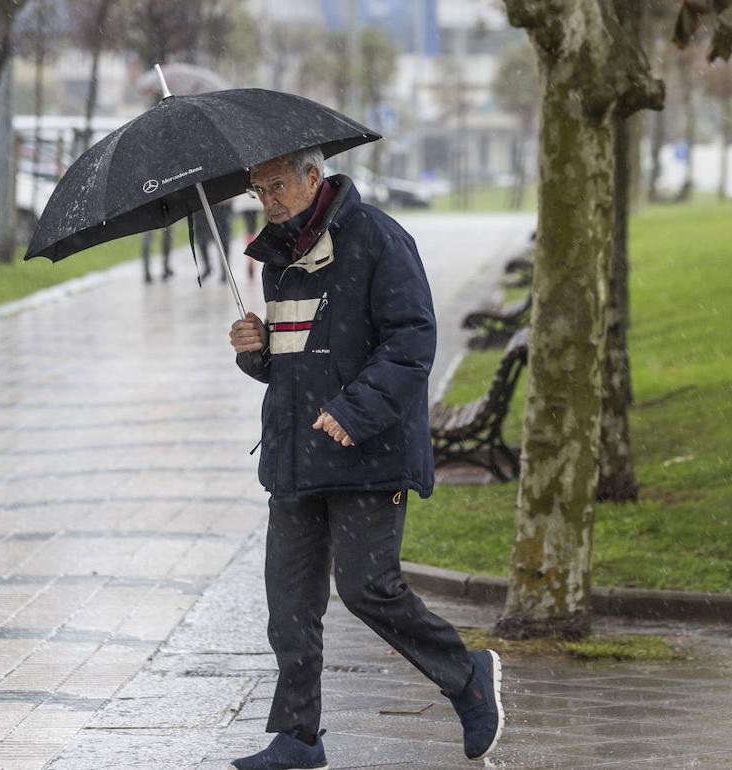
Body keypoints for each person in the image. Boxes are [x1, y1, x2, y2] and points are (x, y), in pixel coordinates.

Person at [227, 148, 504, 770]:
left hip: (369, 452)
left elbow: (412, 342)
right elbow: (294, 363)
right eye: (257, 189)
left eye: (276, 185)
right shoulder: (276, 256)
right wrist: (255, 352)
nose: (267, 199)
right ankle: (299, 736)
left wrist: (353, 413)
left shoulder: (376, 237)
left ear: (311, 177)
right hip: (297, 455)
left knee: (367, 588)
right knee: (289, 604)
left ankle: (467, 677)